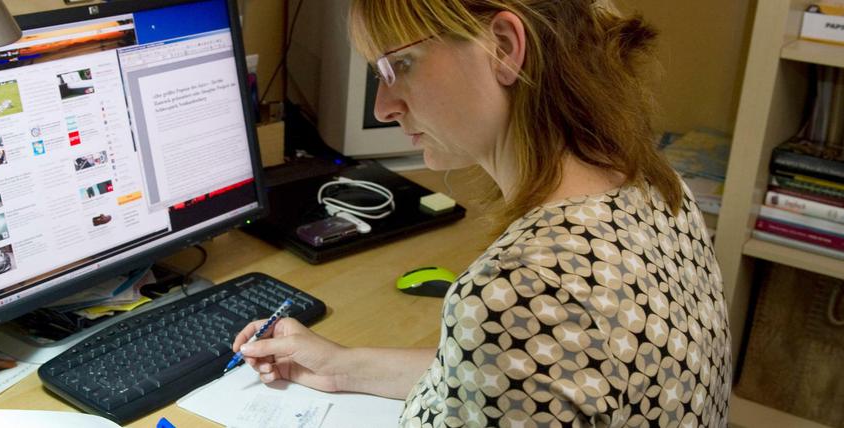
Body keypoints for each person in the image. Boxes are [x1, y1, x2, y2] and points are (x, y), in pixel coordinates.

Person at [231, 1, 732, 426]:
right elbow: (521, 376)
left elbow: (517, 349)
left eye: (400, 65)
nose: (384, 106)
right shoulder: (659, 190)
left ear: (503, 47)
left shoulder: (521, 293)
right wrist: (342, 366)